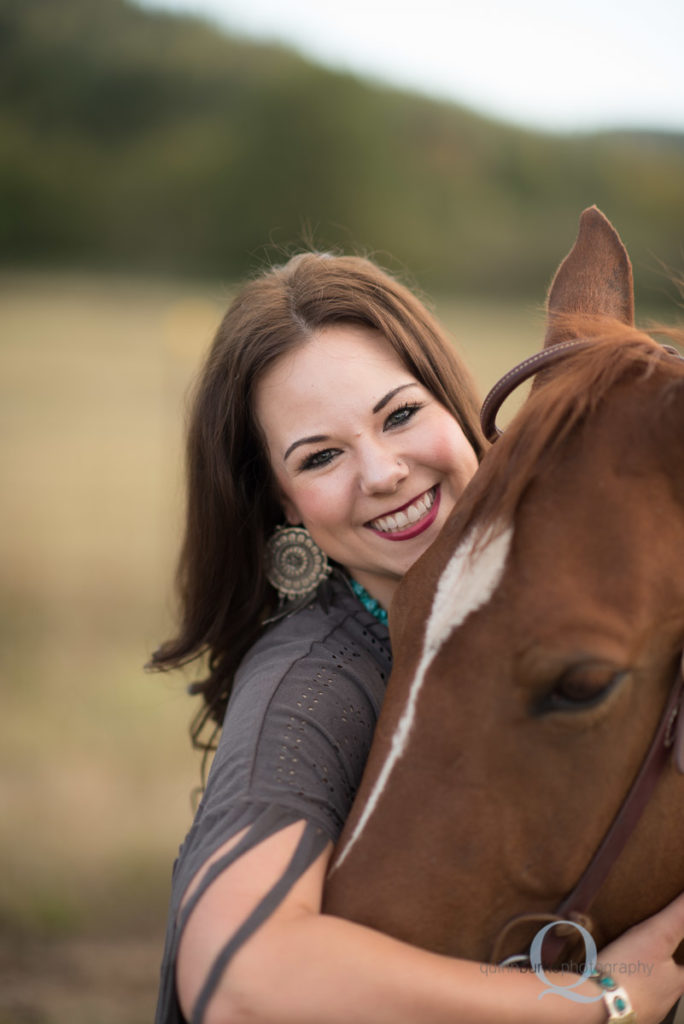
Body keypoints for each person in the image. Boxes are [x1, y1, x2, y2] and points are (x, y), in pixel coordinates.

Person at [150, 252, 684, 1024]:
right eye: (322, 456)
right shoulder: (311, 683)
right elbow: (236, 981)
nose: (382, 471)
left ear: (450, 402)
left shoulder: (523, 604)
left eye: (400, 414)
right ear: (286, 504)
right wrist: (593, 1004)